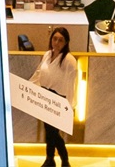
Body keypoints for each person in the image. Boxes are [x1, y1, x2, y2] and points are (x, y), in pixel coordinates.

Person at [29, 27, 78, 167]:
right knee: (49, 131)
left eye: (60, 40)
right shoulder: (47, 55)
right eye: (54, 39)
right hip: (45, 96)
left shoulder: (69, 60)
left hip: (59, 99)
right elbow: (39, 73)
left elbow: (71, 85)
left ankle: (63, 159)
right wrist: (30, 88)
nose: (56, 42)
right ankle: (50, 159)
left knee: (53, 133)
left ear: (66, 42)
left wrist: (69, 107)